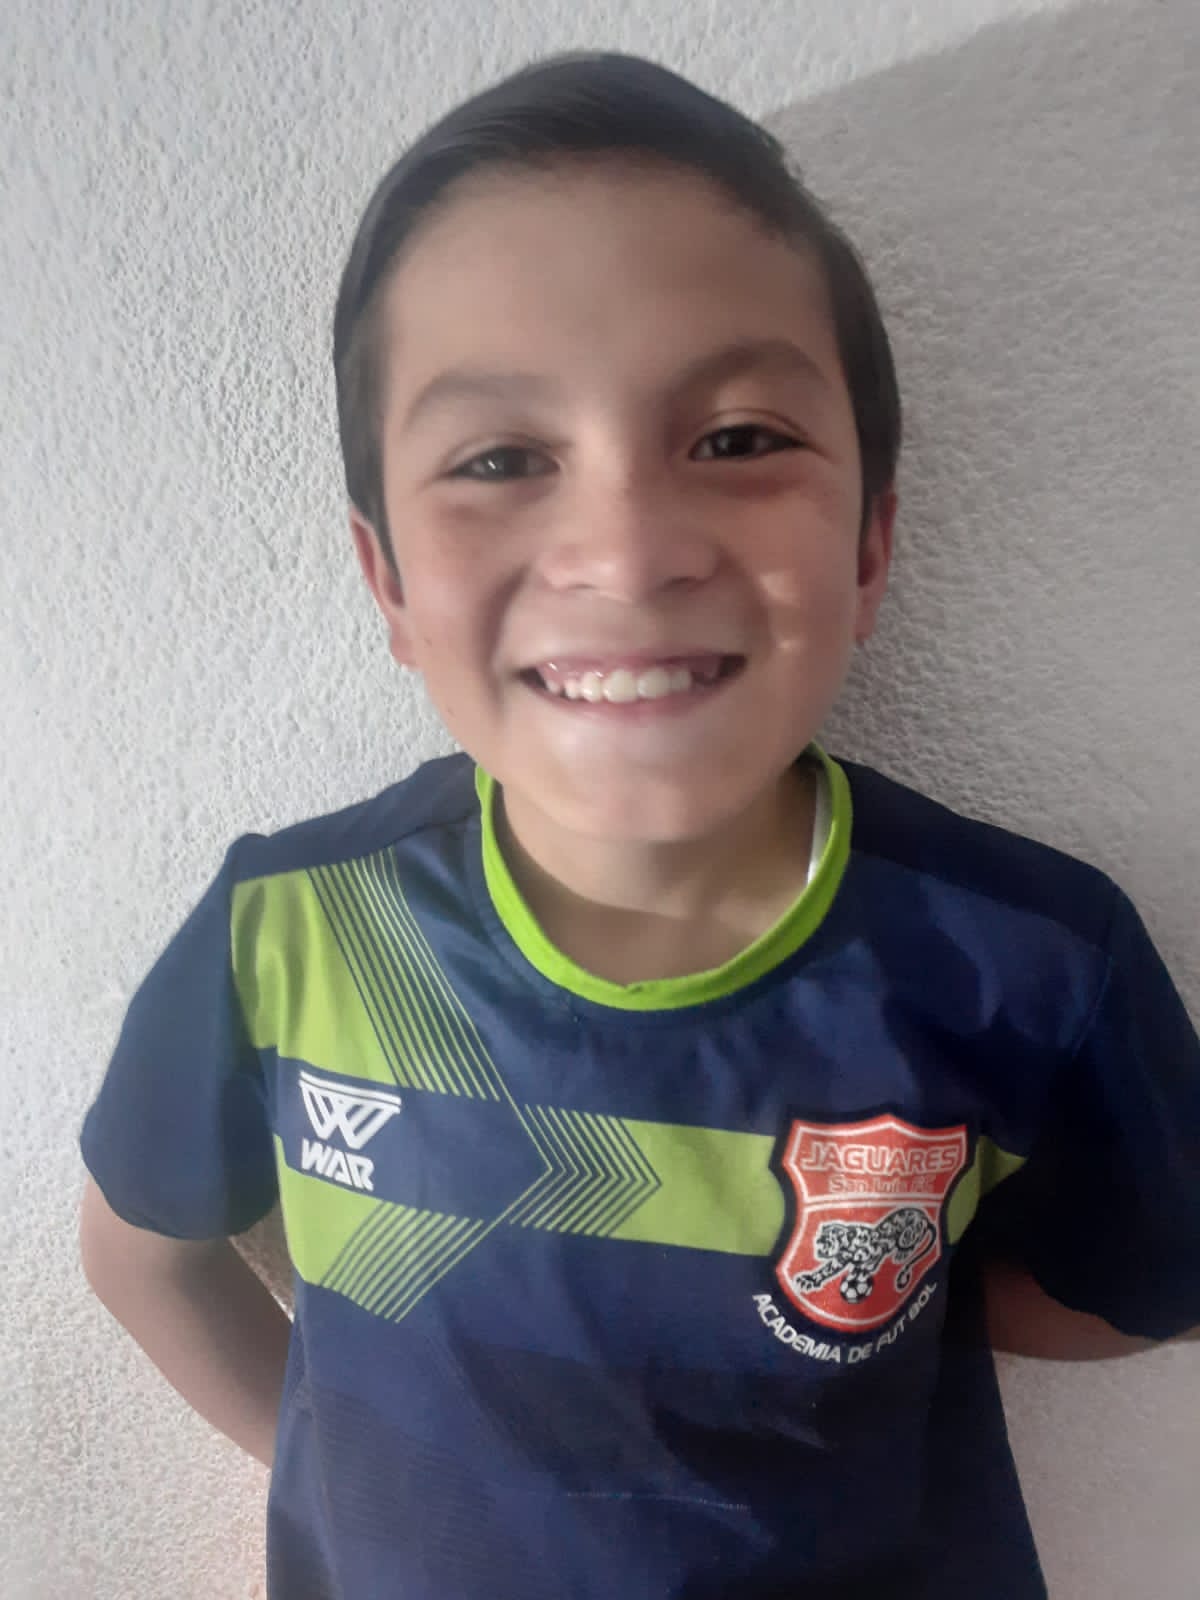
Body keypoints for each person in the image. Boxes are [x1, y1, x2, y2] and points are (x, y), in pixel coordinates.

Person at [78, 51, 1200, 1600]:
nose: (624, 550)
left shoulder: (1030, 966)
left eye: (735, 440)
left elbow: (1136, 1285)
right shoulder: (290, 933)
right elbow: (143, 1256)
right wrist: (330, 1478)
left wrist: (891, 1284)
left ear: (870, 545)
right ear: (387, 580)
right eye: (500, 460)